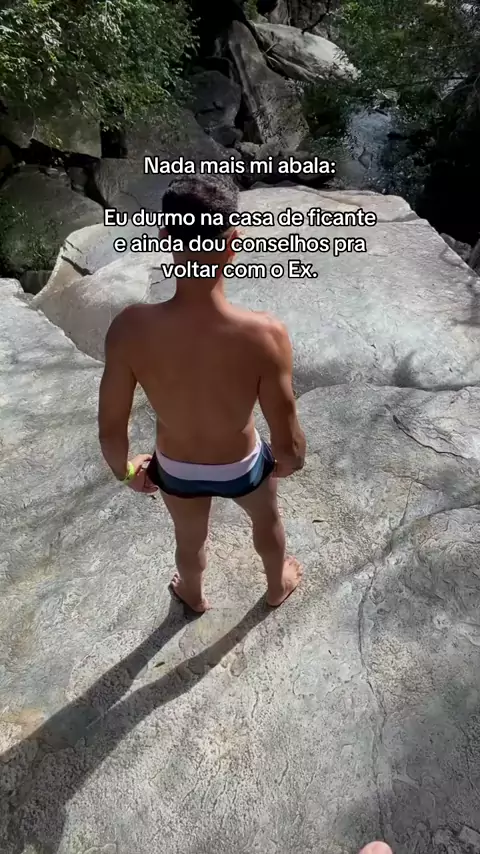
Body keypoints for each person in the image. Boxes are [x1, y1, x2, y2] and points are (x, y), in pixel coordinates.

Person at [98, 175, 306, 613]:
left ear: (165, 237)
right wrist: (288, 460)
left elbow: (111, 427)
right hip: (242, 464)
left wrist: (126, 471)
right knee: (267, 521)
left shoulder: (130, 328)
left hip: (177, 467)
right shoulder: (264, 334)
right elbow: (286, 433)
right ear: (233, 243)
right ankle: (276, 585)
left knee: (189, 539)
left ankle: (192, 593)